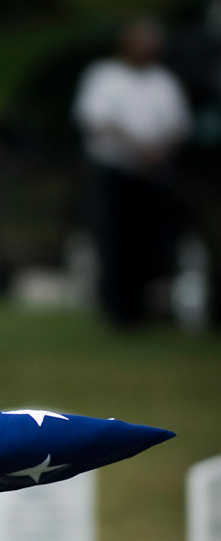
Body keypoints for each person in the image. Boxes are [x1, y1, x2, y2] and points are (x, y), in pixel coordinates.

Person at [72, 17, 193, 325]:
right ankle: (119, 310)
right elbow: (97, 119)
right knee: (116, 241)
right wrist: (137, 147)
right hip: (116, 173)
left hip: (155, 176)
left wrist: (157, 151)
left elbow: (179, 124)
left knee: (153, 242)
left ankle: (149, 305)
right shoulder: (105, 76)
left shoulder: (163, 81)